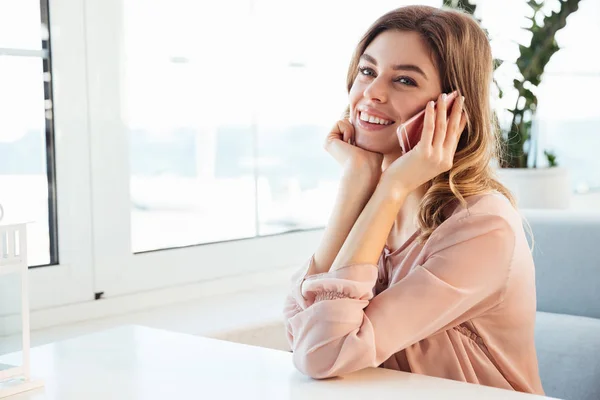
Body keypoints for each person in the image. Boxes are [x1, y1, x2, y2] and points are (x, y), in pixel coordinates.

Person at [282, 5, 545, 395]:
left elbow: (322, 354)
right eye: (367, 71)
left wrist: (390, 186)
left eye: (404, 80)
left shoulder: (483, 225)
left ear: (452, 108)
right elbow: (301, 331)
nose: (372, 93)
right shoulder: (377, 206)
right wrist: (357, 182)